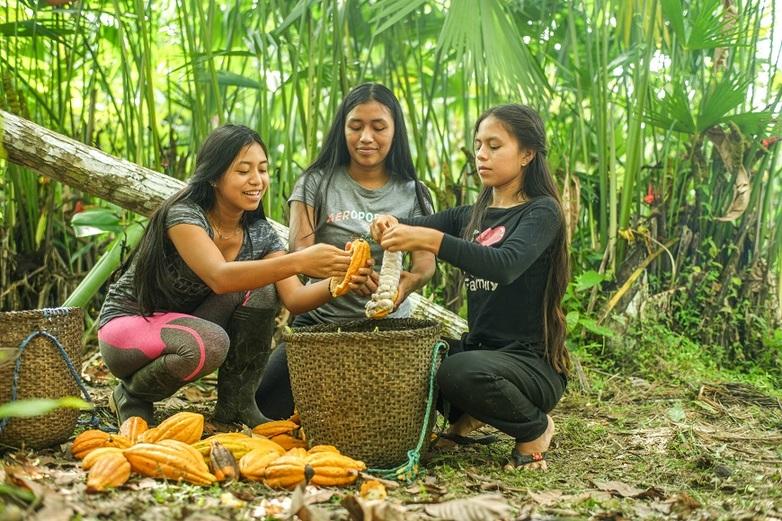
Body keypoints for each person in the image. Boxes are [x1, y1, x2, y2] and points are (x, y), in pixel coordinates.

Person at [97, 124, 367, 428]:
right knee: (210, 343)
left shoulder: (260, 234)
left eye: (263, 170)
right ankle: (131, 394)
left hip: (188, 326)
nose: (257, 180)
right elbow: (220, 277)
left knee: (264, 288)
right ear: (213, 176)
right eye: (243, 171)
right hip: (129, 329)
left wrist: (338, 284)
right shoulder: (185, 214)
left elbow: (294, 298)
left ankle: (237, 404)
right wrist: (299, 260)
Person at [370, 104, 570, 470]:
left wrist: (431, 240)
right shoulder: (470, 215)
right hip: (482, 352)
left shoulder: (541, 212)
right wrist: (387, 224)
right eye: (478, 145)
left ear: (527, 154)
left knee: (458, 372)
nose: (481, 154)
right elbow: (412, 225)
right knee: (413, 362)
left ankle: (534, 428)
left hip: (530, 365)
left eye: (494, 145)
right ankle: (468, 419)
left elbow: (505, 265)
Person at [255, 83, 436, 419]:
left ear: (396, 131)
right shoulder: (315, 182)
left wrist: (400, 288)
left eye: (378, 127)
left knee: (385, 418)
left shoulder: (415, 194)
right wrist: (344, 272)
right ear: (342, 130)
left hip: (389, 329)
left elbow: (424, 266)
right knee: (267, 406)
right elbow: (300, 255)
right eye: (355, 126)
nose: (366, 137)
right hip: (319, 325)